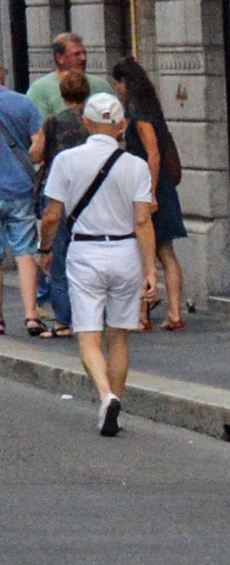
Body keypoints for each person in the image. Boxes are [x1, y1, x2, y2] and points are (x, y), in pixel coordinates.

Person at [39, 90, 157, 437]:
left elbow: (52, 215)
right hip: (125, 253)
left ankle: (105, 396)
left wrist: (44, 249)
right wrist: (150, 268)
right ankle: (115, 402)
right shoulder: (135, 165)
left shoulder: (65, 161)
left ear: (86, 122)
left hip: (86, 252)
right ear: (121, 125)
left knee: (88, 337)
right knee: (118, 337)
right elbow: (142, 221)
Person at [108, 57, 185, 330]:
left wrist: (149, 192)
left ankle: (142, 316)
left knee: (145, 250)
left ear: (124, 82)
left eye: (117, 83)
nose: (117, 89)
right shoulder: (153, 110)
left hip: (150, 188)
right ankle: (174, 313)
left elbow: (152, 154)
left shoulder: (139, 115)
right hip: (161, 185)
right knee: (165, 252)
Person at [30, 71, 89, 337]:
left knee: (60, 257)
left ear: (62, 94)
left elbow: (37, 153)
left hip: (61, 192)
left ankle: (64, 320)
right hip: (90, 192)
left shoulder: (53, 122)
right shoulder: (93, 122)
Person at [0, 70, 43, 335]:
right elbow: (38, 146)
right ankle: (31, 315)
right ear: (2, 73)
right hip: (20, 189)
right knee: (25, 252)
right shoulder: (23, 103)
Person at [27, 33, 86, 122]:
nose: (83, 58)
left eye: (84, 53)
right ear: (59, 58)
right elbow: (38, 128)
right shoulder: (39, 89)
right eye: (76, 54)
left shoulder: (101, 85)